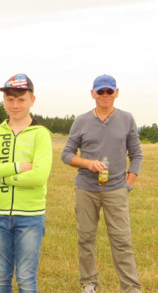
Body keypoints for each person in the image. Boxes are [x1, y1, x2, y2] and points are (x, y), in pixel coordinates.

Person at [61, 74, 143, 293]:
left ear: (116, 93)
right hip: (86, 190)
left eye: (109, 91)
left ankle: (131, 287)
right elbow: (67, 154)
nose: (105, 95)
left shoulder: (127, 119)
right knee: (86, 238)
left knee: (122, 241)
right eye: (100, 92)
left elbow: (136, 155)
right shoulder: (81, 120)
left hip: (117, 190)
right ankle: (89, 283)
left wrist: (128, 184)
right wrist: (88, 163)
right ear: (93, 94)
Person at [0, 74, 52, 292]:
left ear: (32, 100)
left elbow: (38, 176)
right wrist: (18, 167)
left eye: (21, 99)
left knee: (26, 277)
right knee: (0, 275)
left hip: (30, 217)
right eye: (10, 99)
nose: (15, 104)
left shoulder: (41, 135)